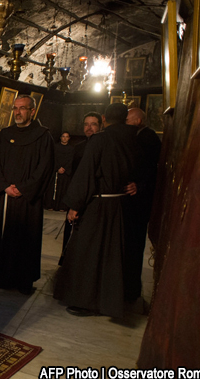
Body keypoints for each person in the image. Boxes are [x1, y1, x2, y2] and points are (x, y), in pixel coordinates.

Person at [53, 103, 138, 318]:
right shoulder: (134, 138)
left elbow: (87, 174)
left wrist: (74, 204)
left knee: (88, 254)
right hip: (120, 205)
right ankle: (109, 300)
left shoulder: (100, 140)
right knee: (111, 257)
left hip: (98, 205)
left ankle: (86, 301)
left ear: (104, 119)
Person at [0, 95, 54, 294]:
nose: (17, 112)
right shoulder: (5, 134)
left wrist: (24, 188)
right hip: (7, 196)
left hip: (29, 199)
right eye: (15, 108)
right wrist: (4, 186)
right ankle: (2, 277)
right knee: (5, 237)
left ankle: (23, 280)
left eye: (22, 108)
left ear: (32, 111)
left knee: (27, 238)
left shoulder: (43, 136)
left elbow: (45, 167)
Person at [122, 107, 162, 302]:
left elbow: (151, 169)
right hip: (133, 199)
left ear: (138, 121)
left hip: (139, 201)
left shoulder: (148, 138)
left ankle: (130, 290)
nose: (125, 123)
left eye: (128, 120)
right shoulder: (140, 136)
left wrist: (140, 185)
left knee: (133, 246)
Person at [60, 112, 103, 262]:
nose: (89, 128)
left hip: (94, 198)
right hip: (77, 194)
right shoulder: (79, 148)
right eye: (86, 124)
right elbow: (75, 175)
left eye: (93, 124)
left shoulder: (103, 146)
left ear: (100, 126)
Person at [44, 131, 74, 211]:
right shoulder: (55, 147)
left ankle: (61, 206)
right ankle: (50, 205)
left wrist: (64, 168)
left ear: (69, 138)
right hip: (55, 171)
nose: (65, 138)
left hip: (65, 172)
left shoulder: (71, 149)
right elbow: (53, 158)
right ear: (60, 137)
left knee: (63, 189)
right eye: (63, 136)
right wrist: (57, 168)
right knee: (52, 189)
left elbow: (70, 160)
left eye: (66, 136)